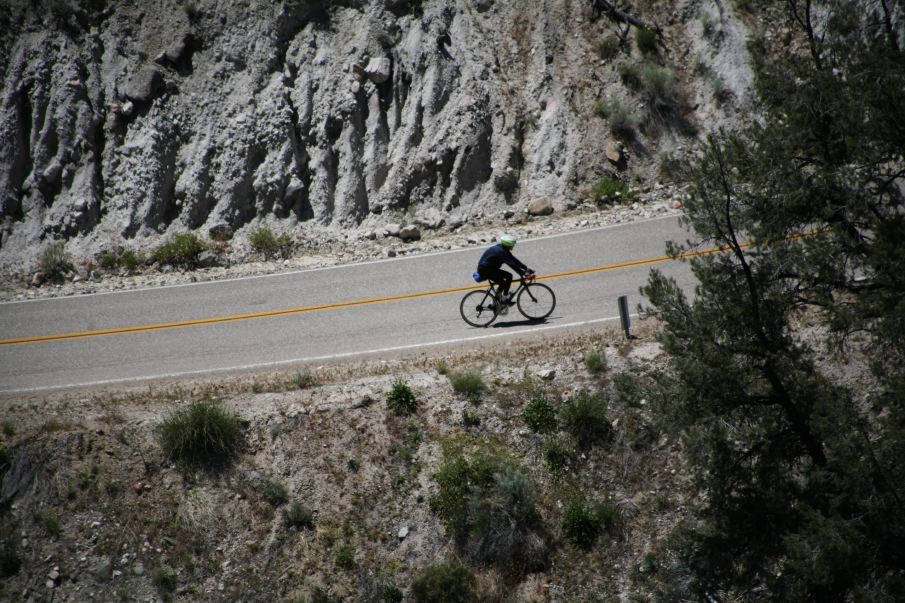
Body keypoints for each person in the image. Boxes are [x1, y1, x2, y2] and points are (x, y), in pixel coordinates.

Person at [475, 234, 533, 314]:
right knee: (503, 282)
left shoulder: (503, 249)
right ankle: (502, 300)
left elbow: (514, 260)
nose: (513, 246)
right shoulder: (501, 252)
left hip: (490, 269)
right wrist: (523, 274)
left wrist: (526, 268)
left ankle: (498, 301)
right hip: (485, 270)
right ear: (508, 245)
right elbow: (512, 265)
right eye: (512, 245)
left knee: (509, 276)